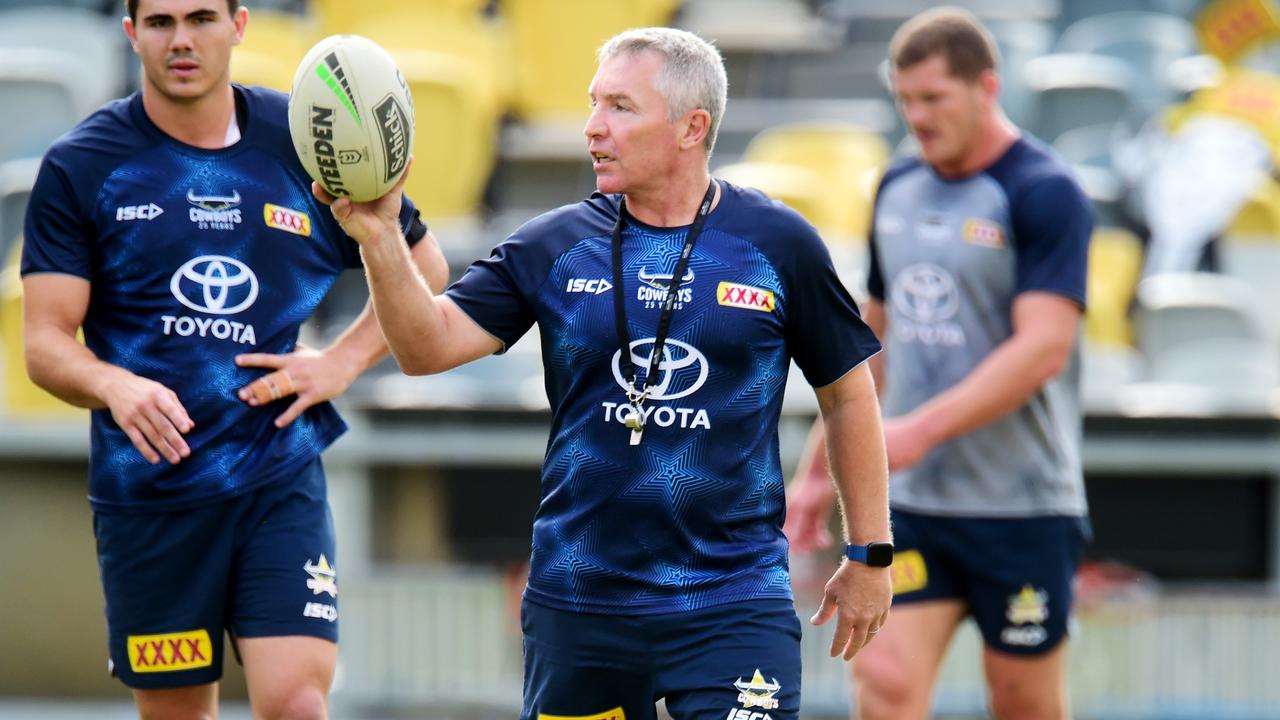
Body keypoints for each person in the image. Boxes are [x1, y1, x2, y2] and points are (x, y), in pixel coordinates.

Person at [322, 26, 892, 720]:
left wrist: (870, 551)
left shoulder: (777, 244)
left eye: (620, 108)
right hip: (580, 604)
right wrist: (382, 240)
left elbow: (848, 395)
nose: (592, 128)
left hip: (732, 601)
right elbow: (425, 349)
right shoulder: (556, 244)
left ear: (692, 127)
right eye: (593, 105)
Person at [20, 1, 446, 718]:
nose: (181, 40)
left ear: (239, 25)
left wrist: (342, 361)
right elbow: (44, 343)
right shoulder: (83, 166)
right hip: (151, 492)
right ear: (131, 34)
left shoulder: (306, 139)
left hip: (276, 472)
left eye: (201, 18)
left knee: (297, 703)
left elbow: (425, 267)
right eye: (160, 23)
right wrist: (114, 384)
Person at [784, 7, 1093, 720]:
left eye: (933, 99)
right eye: (905, 100)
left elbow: (1043, 348)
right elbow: (870, 343)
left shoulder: (1045, 192)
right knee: (885, 679)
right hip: (913, 506)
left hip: (1023, 506)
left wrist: (917, 431)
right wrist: (813, 474)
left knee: (1023, 701)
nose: (917, 118)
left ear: (987, 87)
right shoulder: (896, 188)